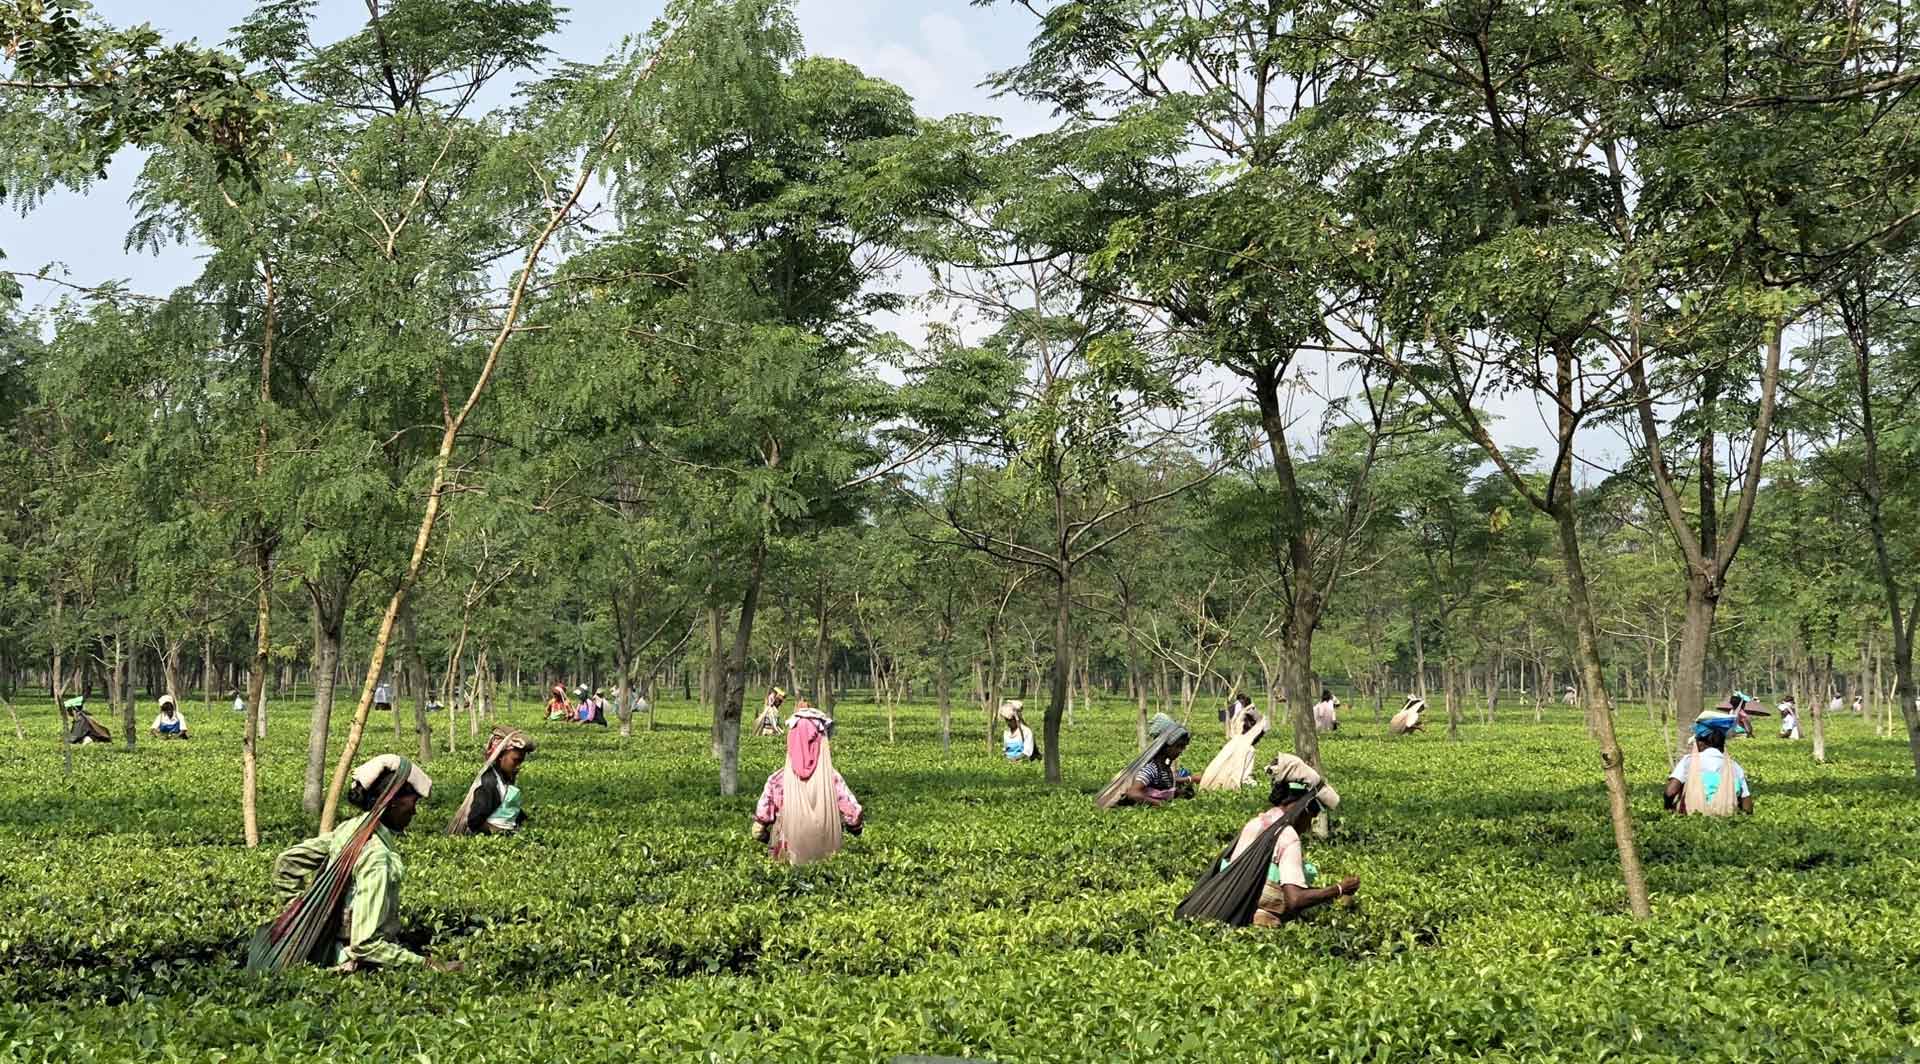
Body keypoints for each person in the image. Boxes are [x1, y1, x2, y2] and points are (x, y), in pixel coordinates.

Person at [249, 754, 459, 972]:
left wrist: (300, 912)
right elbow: (366, 946)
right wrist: (428, 965)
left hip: (326, 949)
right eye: (412, 802)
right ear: (393, 800)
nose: (414, 811)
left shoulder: (351, 828)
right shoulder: (378, 857)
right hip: (350, 964)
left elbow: (286, 862)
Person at [1174, 773, 1357, 927]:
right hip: (1258, 919)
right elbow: (1295, 900)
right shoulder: (1287, 835)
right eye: (1311, 818)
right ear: (1304, 808)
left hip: (1226, 908)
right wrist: (1339, 889)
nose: (1308, 826)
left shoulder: (1256, 822)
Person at [751, 707, 863, 865]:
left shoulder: (776, 780)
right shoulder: (832, 779)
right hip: (826, 857)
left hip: (786, 857)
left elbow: (757, 829)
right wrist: (855, 829)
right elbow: (853, 816)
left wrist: (768, 838)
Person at [447, 727, 536, 836]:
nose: (518, 766)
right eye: (515, 760)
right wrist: (498, 832)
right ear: (500, 757)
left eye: (521, 762)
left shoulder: (504, 778)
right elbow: (474, 821)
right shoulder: (489, 783)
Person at [1095, 713, 1193, 808]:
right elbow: (1132, 793)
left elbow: (1162, 790)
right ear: (1165, 747)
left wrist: (1180, 793)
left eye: (1183, 747)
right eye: (1178, 746)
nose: (1181, 751)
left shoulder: (1165, 769)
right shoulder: (1151, 769)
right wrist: (1159, 804)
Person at [1666, 711, 1753, 816]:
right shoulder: (1735, 767)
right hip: (1725, 821)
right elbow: (1747, 806)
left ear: (1700, 743)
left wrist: (1668, 808)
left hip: (1693, 819)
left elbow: (1670, 792)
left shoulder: (1688, 761)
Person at [1198, 712, 1269, 791]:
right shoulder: (1249, 748)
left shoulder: (1235, 739)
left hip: (1206, 783)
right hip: (1224, 787)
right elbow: (1244, 778)